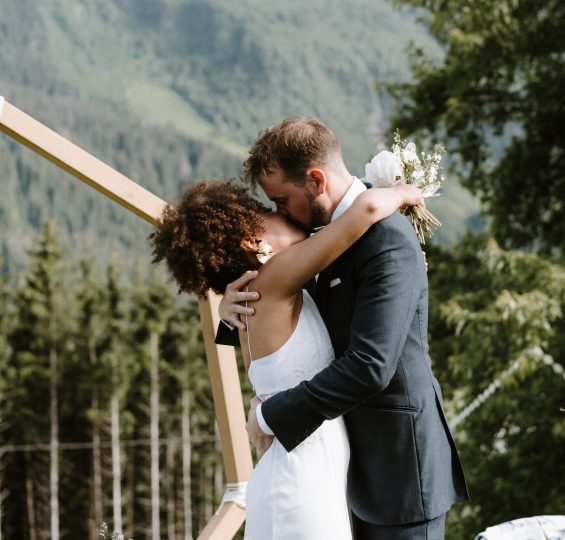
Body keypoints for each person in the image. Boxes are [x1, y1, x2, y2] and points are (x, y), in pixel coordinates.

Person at [216, 117, 469, 539]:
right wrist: (233, 314)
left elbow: (370, 365)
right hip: (340, 470)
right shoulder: (323, 237)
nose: (281, 212)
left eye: (281, 201)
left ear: (315, 180)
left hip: (398, 471)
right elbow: (302, 313)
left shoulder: (386, 238)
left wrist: (271, 415)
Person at [151, 179, 423, 539]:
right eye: (268, 212)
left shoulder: (262, 291)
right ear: (252, 241)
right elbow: (367, 210)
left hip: (304, 469)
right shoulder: (274, 279)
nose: (282, 214)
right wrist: (405, 191)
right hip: (299, 481)